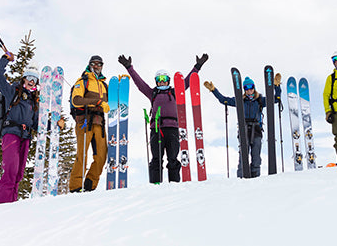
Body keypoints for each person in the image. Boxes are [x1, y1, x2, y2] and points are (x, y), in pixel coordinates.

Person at [119, 53, 209, 183]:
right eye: (159, 79)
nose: (162, 81)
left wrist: (198, 66)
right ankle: (156, 183)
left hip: (172, 129)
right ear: (156, 81)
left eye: (164, 79)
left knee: (173, 158)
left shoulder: (175, 92)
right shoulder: (153, 93)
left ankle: (174, 184)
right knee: (156, 158)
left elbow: (188, 82)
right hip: (156, 129)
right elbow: (140, 84)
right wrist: (129, 68)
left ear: (168, 80)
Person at [204, 74, 281, 178]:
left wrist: (276, 86)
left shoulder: (260, 100)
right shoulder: (240, 101)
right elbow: (223, 100)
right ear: (244, 89)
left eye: (251, 87)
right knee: (243, 156)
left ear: (254, 88)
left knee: (256, 157)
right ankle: (241, 179)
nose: (249, 90)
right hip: (243, 129)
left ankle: (255, 176)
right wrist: (213, 90)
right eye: (246, 88)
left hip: (256, 130)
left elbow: (276, 99)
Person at [0, 52, 39, 204]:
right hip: (11, 134)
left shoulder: (34, 101)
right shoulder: (13, 92)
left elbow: (38, 124)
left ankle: (11, 206)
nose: (32, 81)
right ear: (24, 78)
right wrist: (5, 60)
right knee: (10, 171)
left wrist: (56, 124)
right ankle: (1, 206)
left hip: (25, 137)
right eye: (29, 78)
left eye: (35, 79)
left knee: (18, 174)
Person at [68, 55, 110, 192]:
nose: (97, 66)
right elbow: (76, 100)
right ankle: (75, 187)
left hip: (100, 123)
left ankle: (89, 185)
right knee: (82, 155)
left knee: (102, 156)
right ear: (89, 65)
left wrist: (118, 86)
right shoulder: (83, 81)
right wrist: (97, 102)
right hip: (84, 121)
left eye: (99, 64)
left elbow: (113, 101)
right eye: (94, 63)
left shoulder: (104, 85)